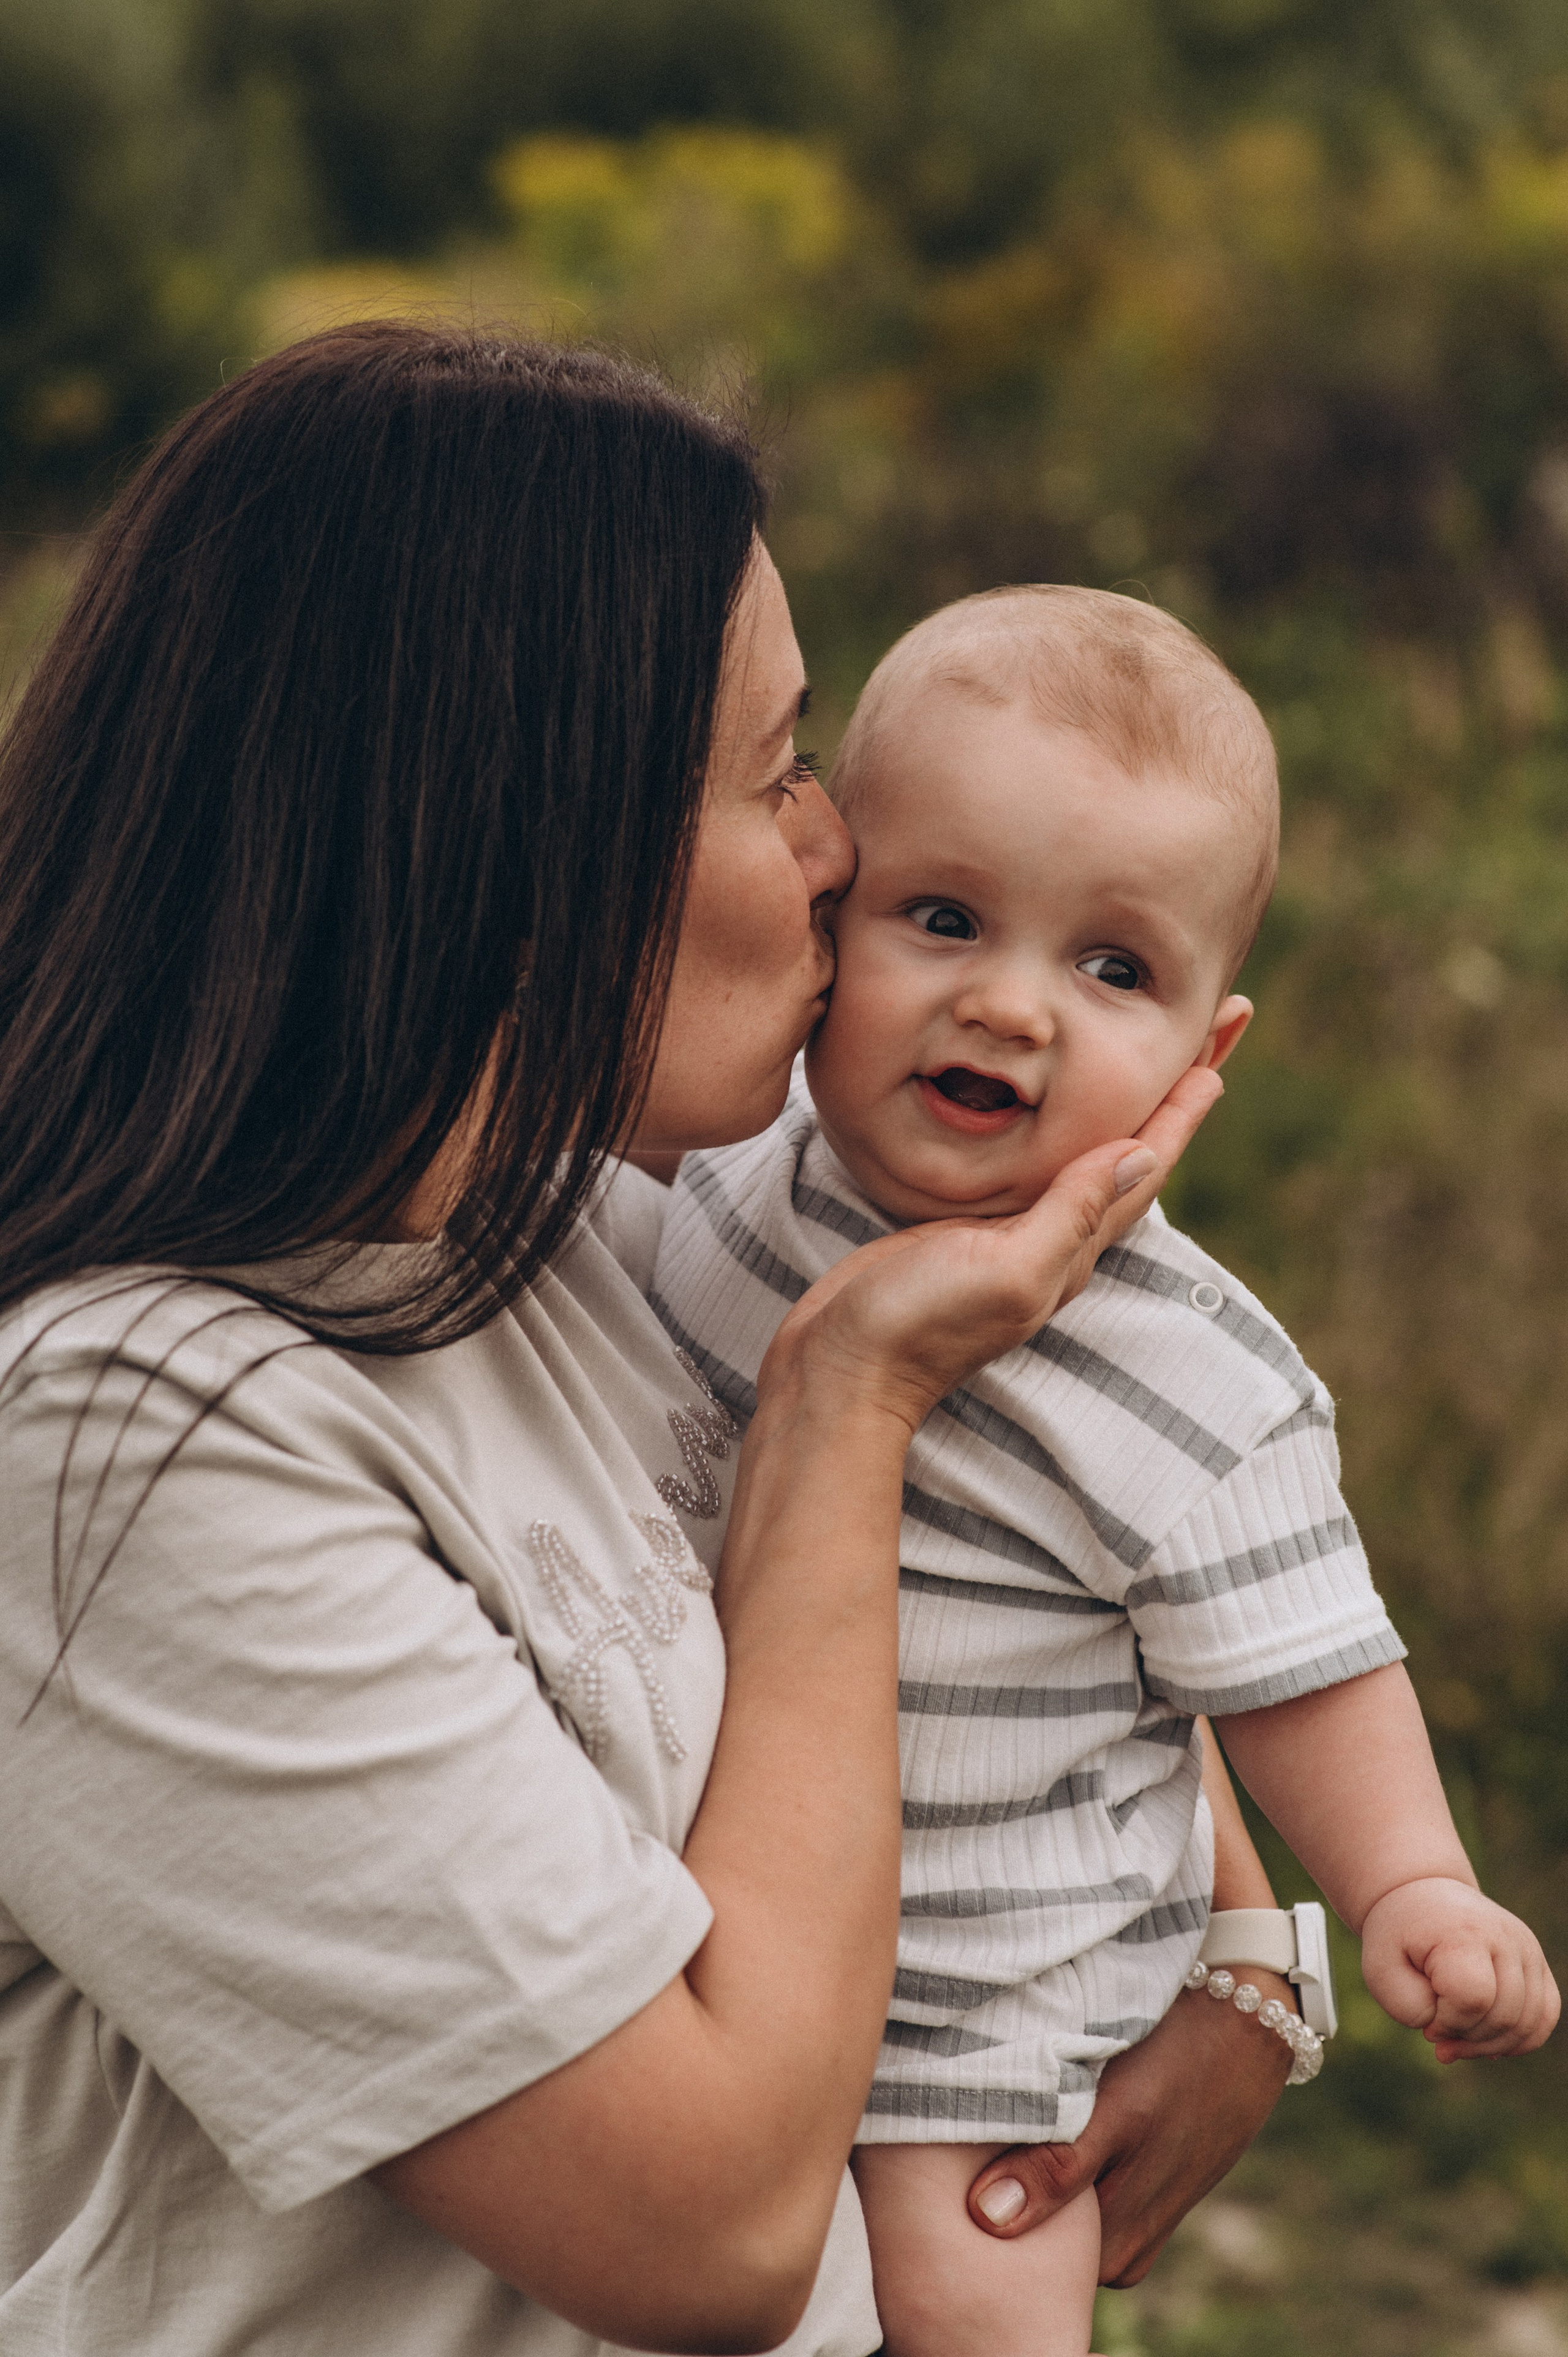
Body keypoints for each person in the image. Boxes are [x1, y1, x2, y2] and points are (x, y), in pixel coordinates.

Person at [0, 327, 1295, 2357]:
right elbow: (709, 2234)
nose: (839, 853)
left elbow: (1020, 1575)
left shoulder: (583, 1224)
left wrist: (1250, 1957)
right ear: (513, 843)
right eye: (774, 775)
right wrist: (851, 1403)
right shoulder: (124, 1448)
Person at [649, 586, 1562, 2357]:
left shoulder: (1189, 1374)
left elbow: (1302, 1665)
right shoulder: (726, 1165)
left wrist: (1410, 1885)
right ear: (828, 926)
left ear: (1205, 1056)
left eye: (1114, 968)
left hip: (972, 2026)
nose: (1011, 1007)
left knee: (974, 2304)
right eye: (944, 919)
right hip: (690, 1941)